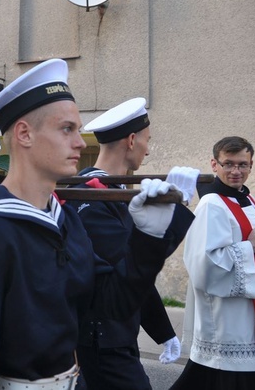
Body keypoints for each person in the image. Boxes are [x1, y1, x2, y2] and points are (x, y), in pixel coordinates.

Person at [0, 59, 195, 390]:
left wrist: (148, 238)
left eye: (78, 130)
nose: (80, 143)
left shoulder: (64, 220)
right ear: (24, 133)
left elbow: (110, 304)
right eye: (67, 129)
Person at [65, 97, 198, 389]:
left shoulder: (112, 192)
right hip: (101, 341)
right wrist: (175, 214)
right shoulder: (92, 198)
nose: (148, 150)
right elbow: (131, 270)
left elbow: (137, 274)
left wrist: (161, 330)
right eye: (147, 141)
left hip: (115, 335)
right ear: (132, 140)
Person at [171, 136, 255, 390]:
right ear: (214, 165)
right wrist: (250, 247)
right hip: (228, 317)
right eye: (228, 164)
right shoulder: (211, 205)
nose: (236, 171)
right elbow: (203, 264)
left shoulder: (248, 199)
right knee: (227, 376)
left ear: (251, 165)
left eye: (242, 165)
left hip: (251, 311)